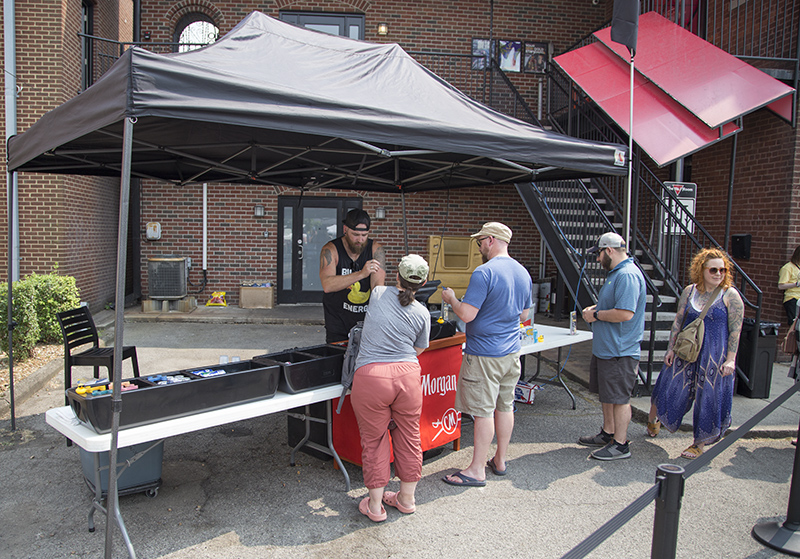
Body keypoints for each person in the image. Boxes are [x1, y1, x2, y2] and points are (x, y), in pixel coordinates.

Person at [441, 222, 532, 487]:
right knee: (505, 407)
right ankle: (500, 460)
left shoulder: (484, 273)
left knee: (482, 412)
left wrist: (451, 299)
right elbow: (524, 315)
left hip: (484, 354)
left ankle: (476, 469)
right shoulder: (523, 272)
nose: (479, 246)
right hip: (511, 352)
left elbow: (467, 314)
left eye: (480, 240)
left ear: (491, 240)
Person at [349, 254, 432, 522]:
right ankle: (406, 499)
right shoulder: (423, 313)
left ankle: (375, 506)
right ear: (424, 283)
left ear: (398, 276)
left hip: (372, 376)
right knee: (409, 437)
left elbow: (377, 281)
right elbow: (419, 349)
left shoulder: (378, 295)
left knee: (374, 442)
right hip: (408, 376)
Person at [647, 248, 744, 459]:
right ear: (702, 270)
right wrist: (670, 348)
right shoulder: (690, 291)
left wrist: (731, 360)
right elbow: (678, 321)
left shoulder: (730, 295)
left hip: (713, 356)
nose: (719, 274)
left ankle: (699, 443)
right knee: (667, 384)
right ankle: (654, 418)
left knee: (707, 396)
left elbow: (736, 331)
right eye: (713, 270)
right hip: (686, 350)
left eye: (723, 270)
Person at [579, 232, 646, 461]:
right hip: (607, 348)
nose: (597, 259)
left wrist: (596, 315)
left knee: (619, 398)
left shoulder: (626, 275)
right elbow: (615, 304)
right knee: (608, 395)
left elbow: (625, 313)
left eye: (598, 254)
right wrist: (595, 310)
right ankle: (608, 433)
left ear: (609, 250)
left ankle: (620, 444)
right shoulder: (616, 274)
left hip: (620, 350)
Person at [319, 209, 385, 343]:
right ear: (345, 229)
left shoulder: (376, 250)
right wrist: (361, 274)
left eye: (364, 235)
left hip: (366, 321)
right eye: (355, 234)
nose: (360, 240)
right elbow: (327, 285)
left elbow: (378, 290)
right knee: (336, 360)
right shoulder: (331, 249)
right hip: (337, 321)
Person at [778, 246, 800, 325]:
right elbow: (781, 286)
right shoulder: (788, 268)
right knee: (794, 323)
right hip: (792, 298)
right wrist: (796, 284)